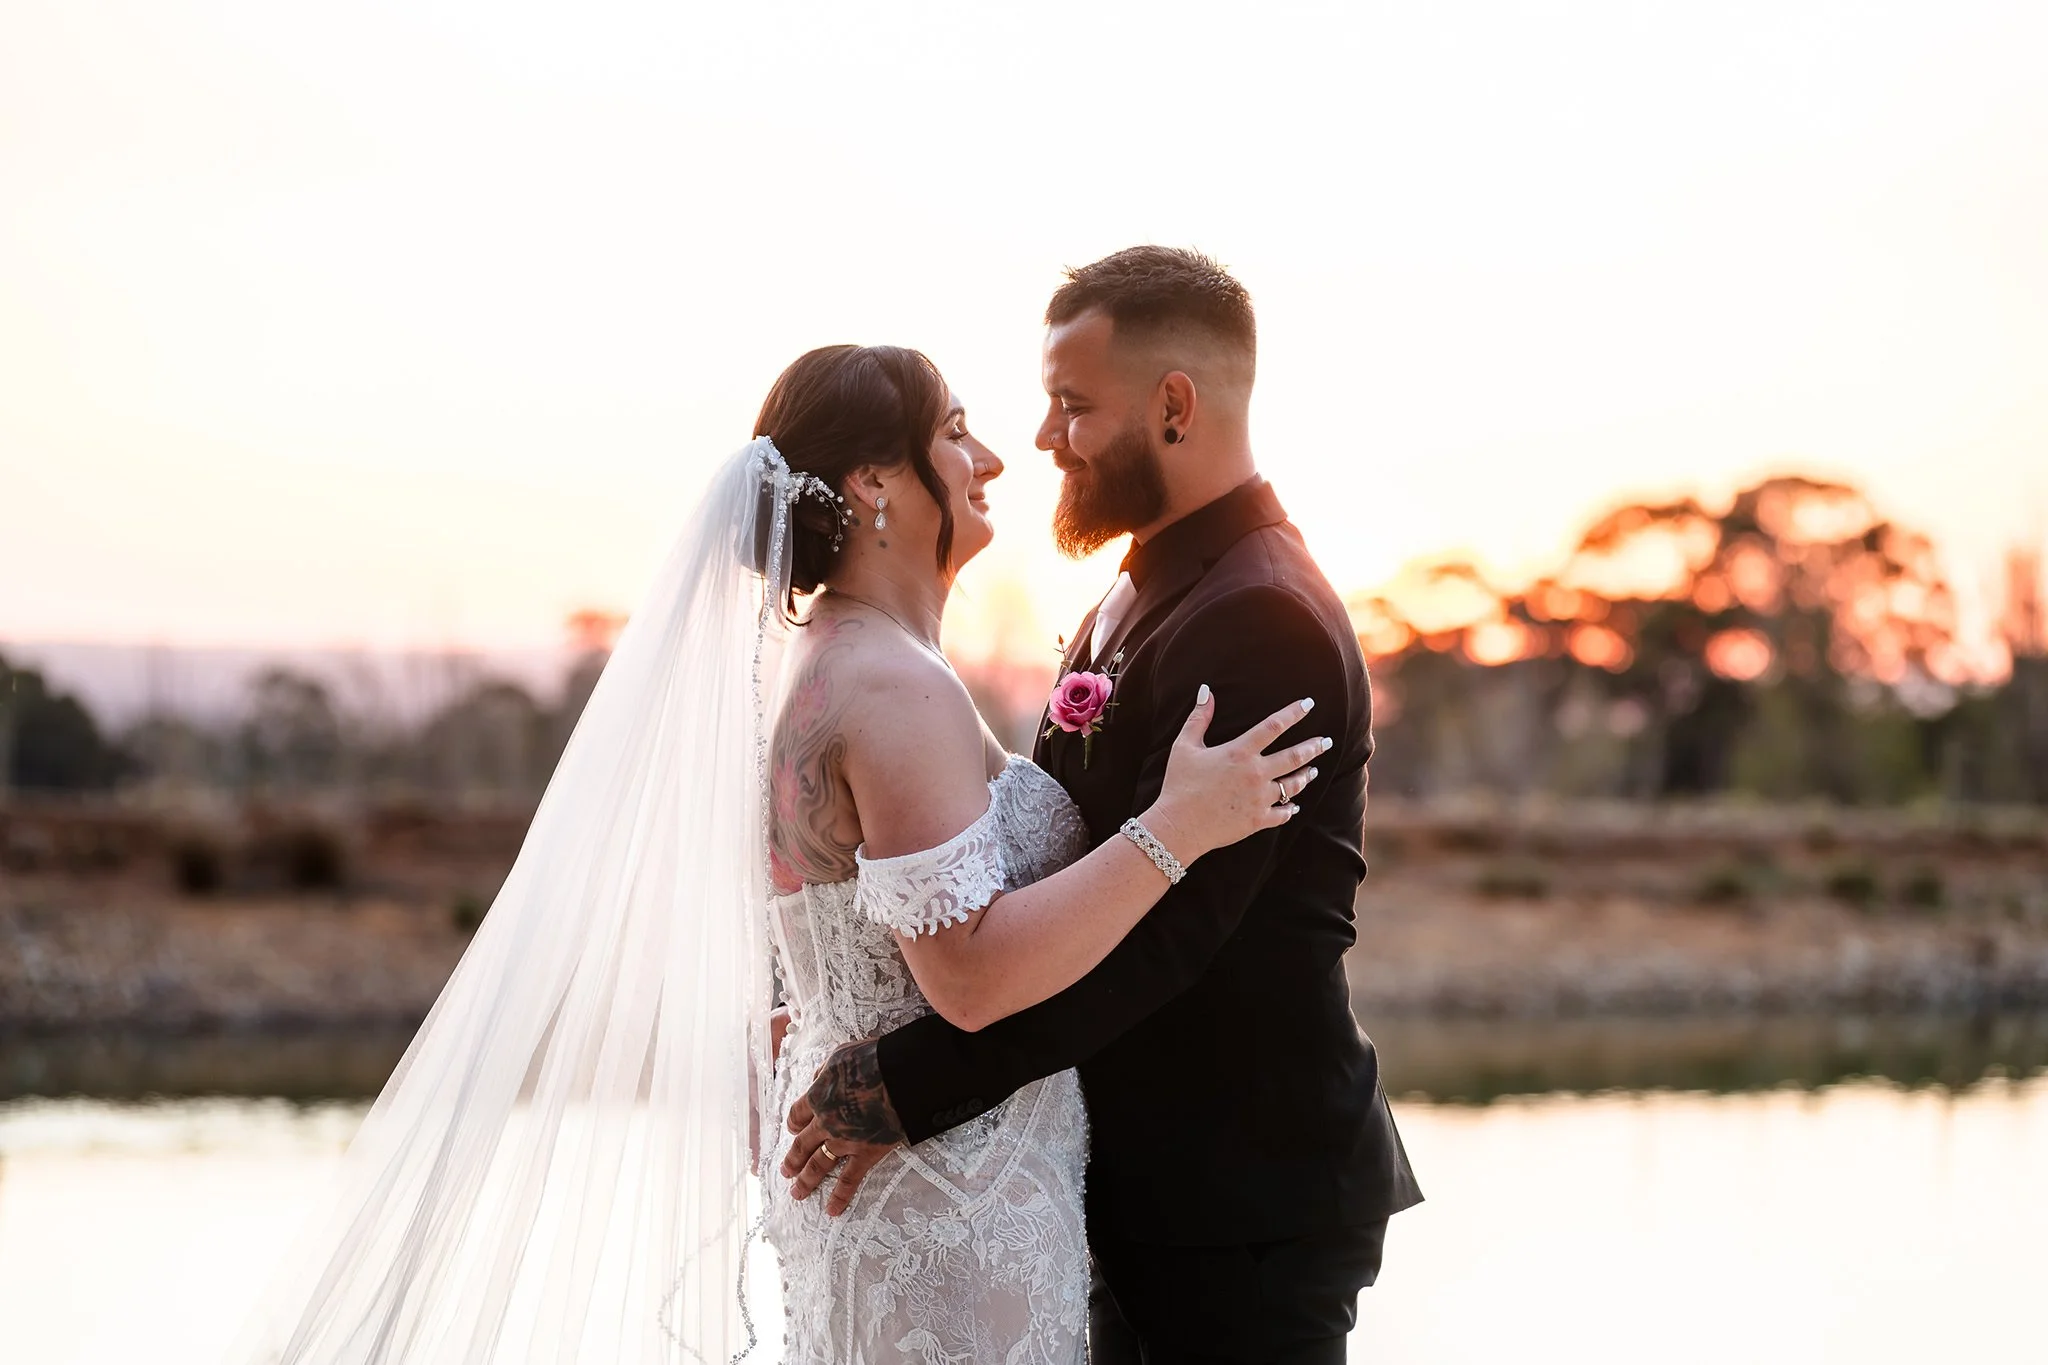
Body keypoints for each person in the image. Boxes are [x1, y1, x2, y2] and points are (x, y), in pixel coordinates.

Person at [781, 248, 1423, 1365]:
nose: (1037, 439)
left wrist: (910, 1082)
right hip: (1115, 1183)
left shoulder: (1263, 619)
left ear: (1173, 407)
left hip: (1238, 1197)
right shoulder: (1138, 588)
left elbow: (1172, 938)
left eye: (1070, 407)